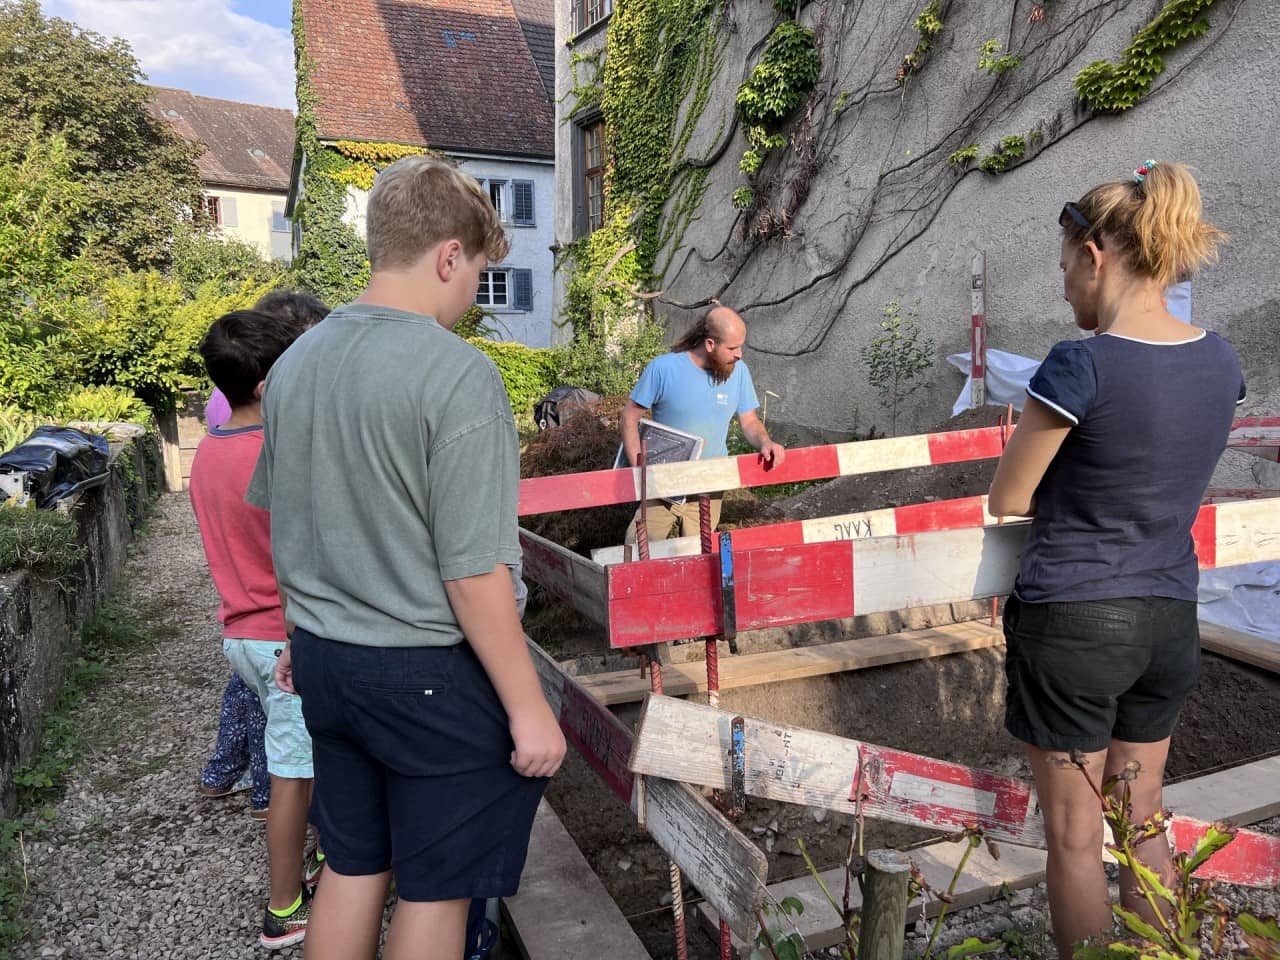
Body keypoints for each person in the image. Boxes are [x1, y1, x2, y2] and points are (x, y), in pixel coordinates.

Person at [248, 156, 566, 960]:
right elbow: (471, 570)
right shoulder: (457, 375)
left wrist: (299, 634)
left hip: (326, 666)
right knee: (435, 887)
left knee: (355, 866)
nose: (471, 301)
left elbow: (290, 522)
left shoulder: (291, 368)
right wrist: (529, 709)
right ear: (450, 255)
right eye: (477, 277)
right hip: (424, 676)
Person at [987, 161, 1241, 956]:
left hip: (1074, 625)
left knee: (1073, 835)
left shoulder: (1081, 363)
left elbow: (1009, 497)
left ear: (1096, 254)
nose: (1066, 290)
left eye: (1067, 270)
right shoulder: (1221, 361)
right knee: (1144, 820)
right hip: (1168, 622)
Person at [191, 295, 330, 950]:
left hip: (239, 631)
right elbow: (301, 556)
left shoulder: (210, 450)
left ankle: (322, 858)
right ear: (272, 383)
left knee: (305, 756)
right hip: (284, 639)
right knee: (291, 778)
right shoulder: (273, 457)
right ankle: (283, 907)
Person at [621, 305, 785, 543]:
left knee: (699, 558)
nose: (739, 354)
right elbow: (629, 417)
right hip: (664, 484)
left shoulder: (739, 372)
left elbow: (749, 420)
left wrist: (765, 441)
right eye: (732, 348)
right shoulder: (663, 369)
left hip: (709, 484)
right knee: (637, 552)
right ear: (710, 344)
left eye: (741, 346)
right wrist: (640, 468)